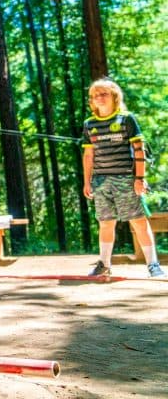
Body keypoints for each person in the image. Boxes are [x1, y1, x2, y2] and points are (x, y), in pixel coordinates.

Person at [82, 78, 164, 278]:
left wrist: (139, 178)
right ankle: (104, 263)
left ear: (114, 97)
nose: (99, 98)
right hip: (100, 181)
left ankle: (153, 265)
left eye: (104, 94)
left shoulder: (126, 119)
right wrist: (87, 182)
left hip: (126, 179)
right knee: (105, 222)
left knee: (138, 221)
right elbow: (88, 155)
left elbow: (139, 150)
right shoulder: (89, 124)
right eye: (95, 96)